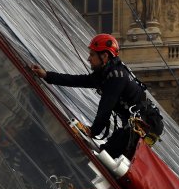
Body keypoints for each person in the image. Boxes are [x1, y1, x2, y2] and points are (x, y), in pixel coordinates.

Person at [30, 34, 163, 159]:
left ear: (104, 56)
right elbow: (77, 80)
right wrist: (47, 75)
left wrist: (92, 131)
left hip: (147, 124)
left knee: (108, 154)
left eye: (92, 54)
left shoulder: (116, 76)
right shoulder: (106, 74)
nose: (88, 59)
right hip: (141, 124)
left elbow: (106, 107)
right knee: (110, 154)